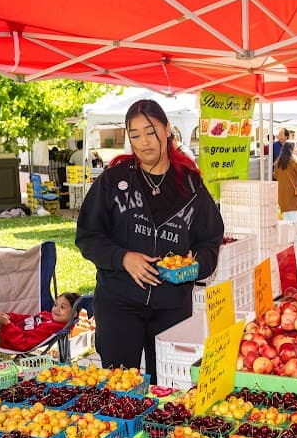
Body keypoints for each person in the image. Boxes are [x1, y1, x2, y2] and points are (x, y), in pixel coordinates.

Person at [76, 99, 224, 384]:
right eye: (135, 135)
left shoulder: (191, 186)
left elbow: (210, 239)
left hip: (172, 306)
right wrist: (122, 258)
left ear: (168, 130)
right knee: (119, 388)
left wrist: (196, 265)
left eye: (151, 131)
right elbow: (88, 236)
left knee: (169, 387)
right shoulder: (114, 181)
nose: (144, 142)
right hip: (119, 303)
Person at [0, 293, 80, 351]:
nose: (56, 309)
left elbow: (23, 344)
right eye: (56, 305)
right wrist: (9, 317)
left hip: (2, 338)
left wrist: (7, 324)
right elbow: (25, 318)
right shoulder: (47, 316)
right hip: (5, 325)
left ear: (74, 313)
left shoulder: (53, 328)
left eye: (63, 307)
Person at [273, 141, 297, 232]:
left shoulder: (278, 162)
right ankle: (295, 230)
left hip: (282, 191)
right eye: (295, 147)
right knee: (293, 211)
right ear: (291, 149)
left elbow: (275, 176)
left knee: (285, 211)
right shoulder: (295, 161)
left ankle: (289, 229)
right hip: (292, 191)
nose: (296, 149)